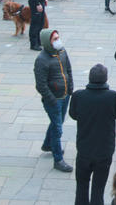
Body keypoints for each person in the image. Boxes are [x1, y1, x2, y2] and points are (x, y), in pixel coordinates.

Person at [69, 64, 116, 205]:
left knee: (81, 187)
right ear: (105, 79)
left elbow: (73, 114)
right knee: (98, 189)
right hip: (104, 151)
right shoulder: (113, 97)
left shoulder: (78, 95)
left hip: (84, 150)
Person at [34, 29, 74, 172]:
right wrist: (51, 99)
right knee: (58, 128)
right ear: (47, 42)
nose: (58, 41)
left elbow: (68, 69)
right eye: (55, 39)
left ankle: (48, 144)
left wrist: (70, 88)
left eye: (58, 37)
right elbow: (41, 85)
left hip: (65, 95)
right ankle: (58, 159)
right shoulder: (41, 60)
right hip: (54, 99)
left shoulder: (62, 52)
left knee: (58, 122)